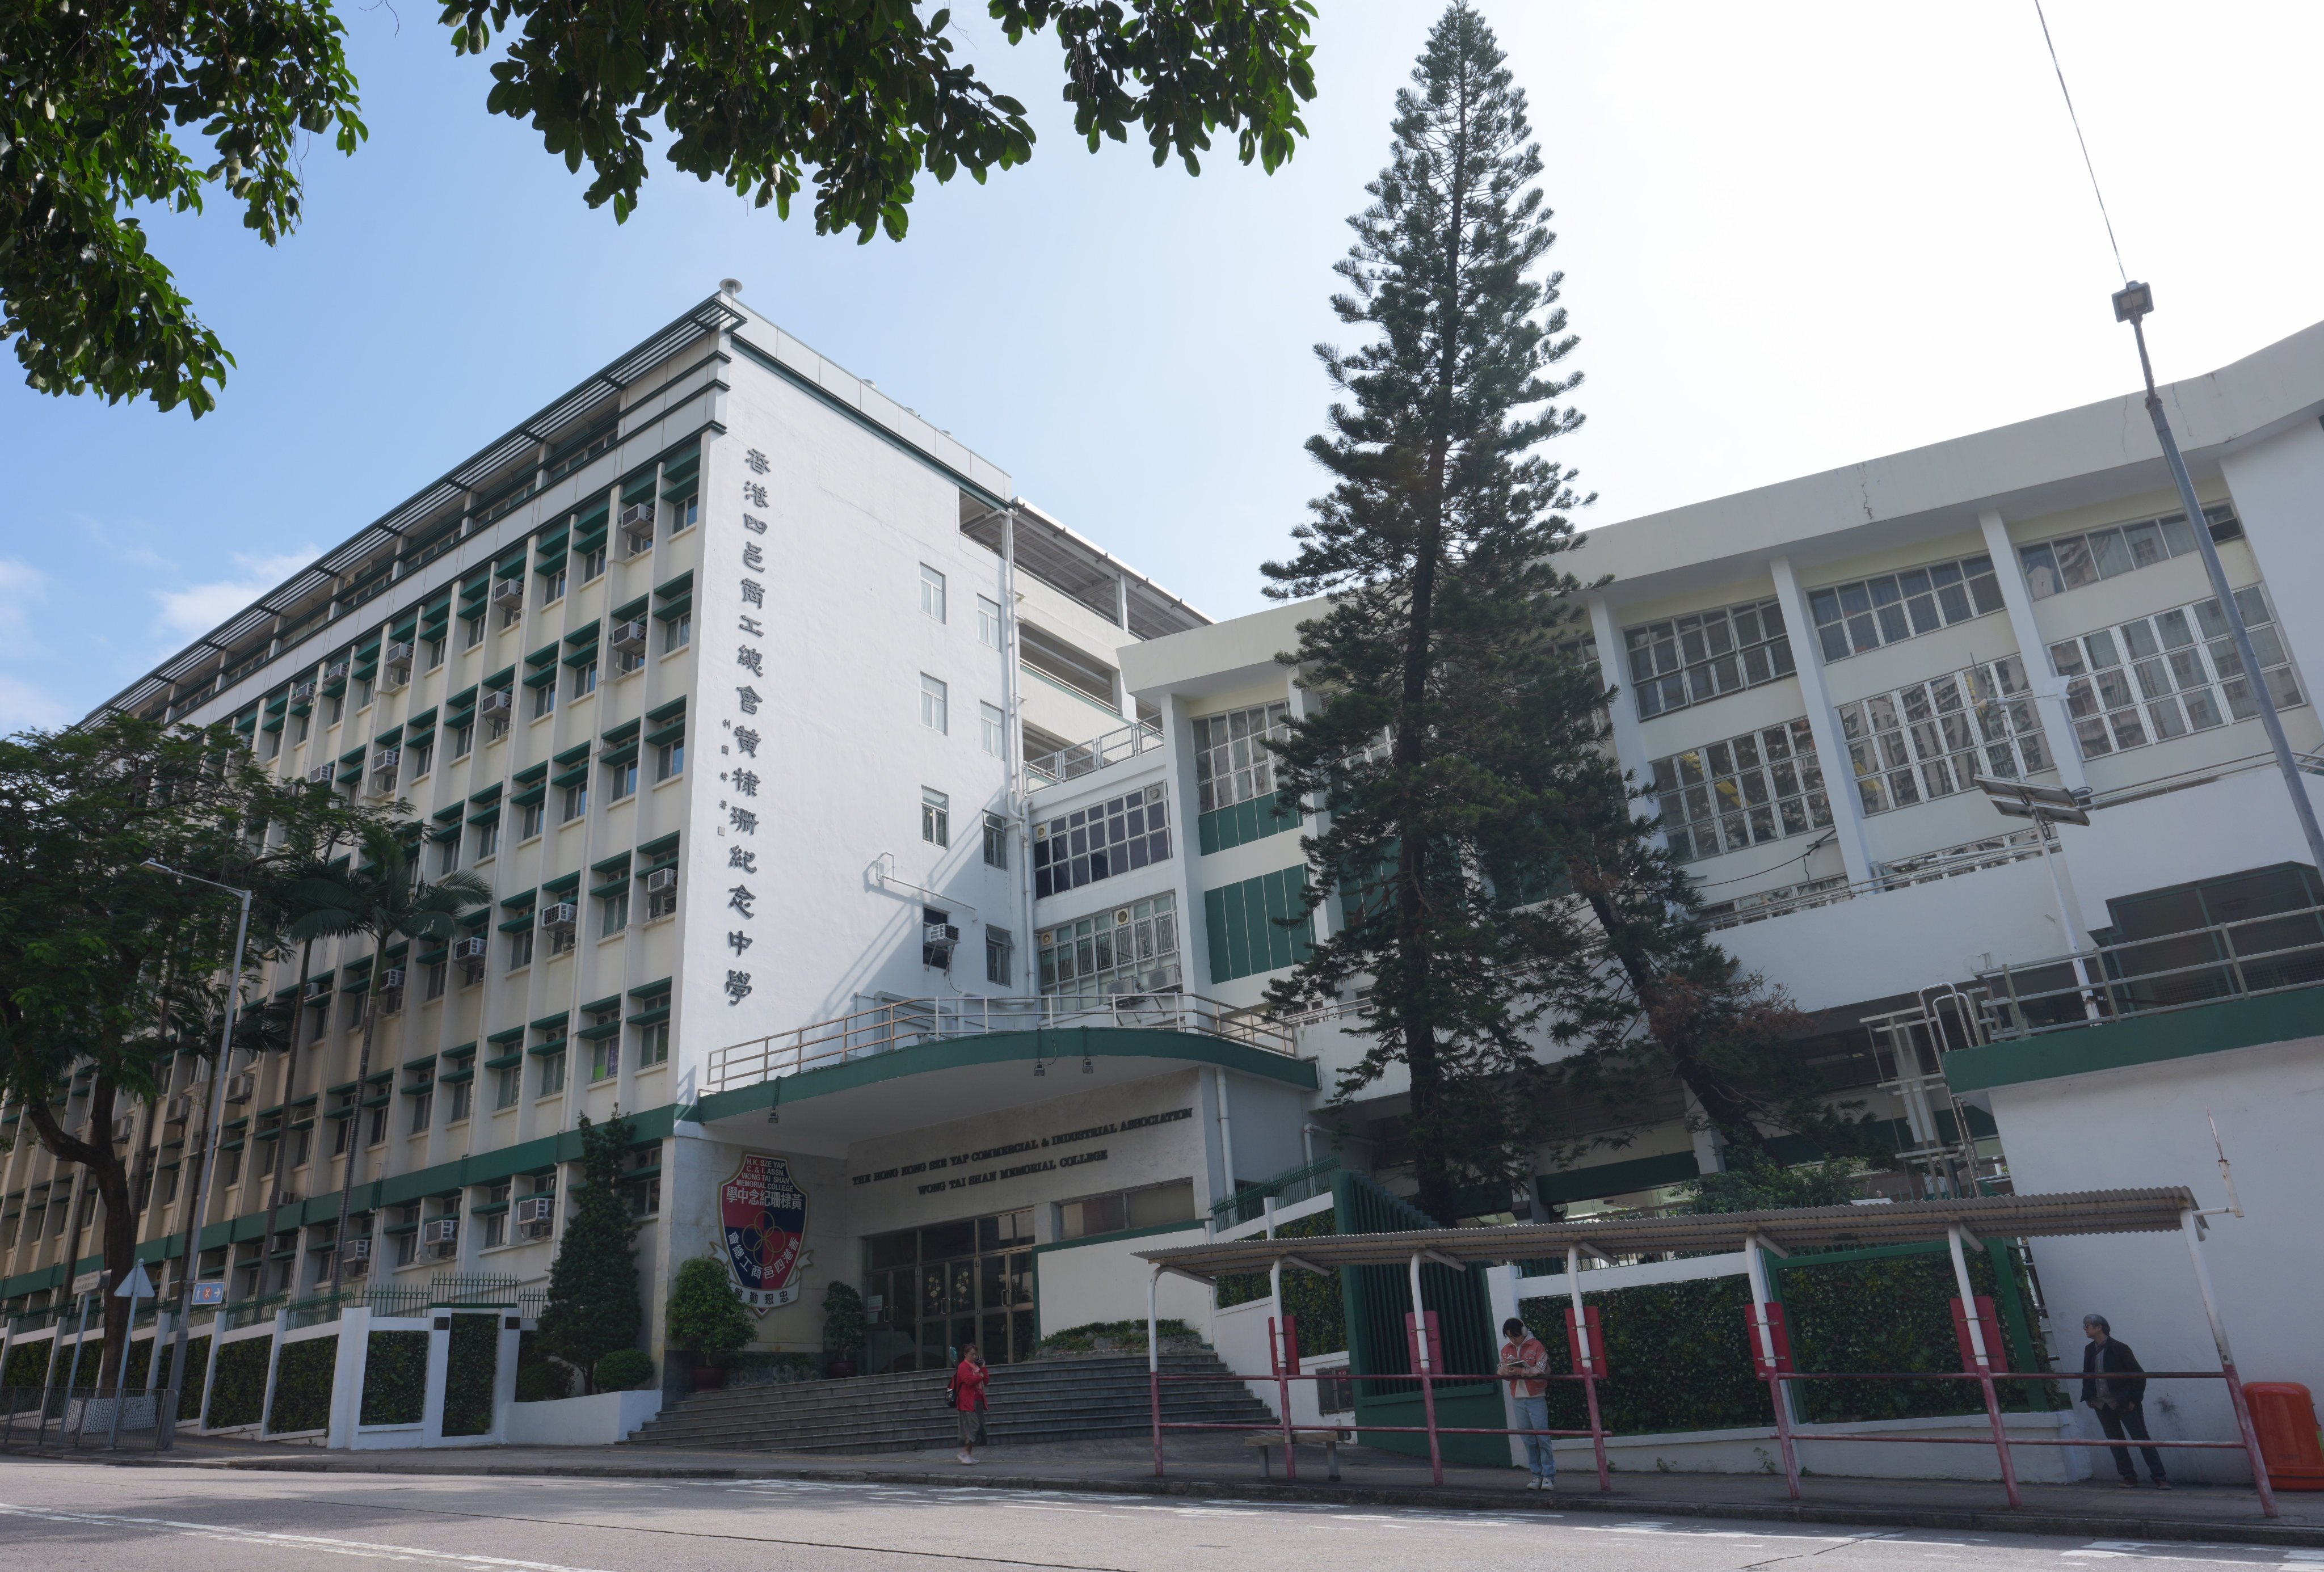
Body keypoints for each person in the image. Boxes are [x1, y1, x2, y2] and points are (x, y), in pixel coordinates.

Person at [2082, 1314, 2169, 1489]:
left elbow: (2138, 1375)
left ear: (2099, 1327)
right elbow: (2087, 1373)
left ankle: (2159, 1477)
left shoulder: (2120, 1348)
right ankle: (2128, 1476)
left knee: (2141, 1438)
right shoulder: (2089, 1349)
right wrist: (2089, 1396)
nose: (2085, 1329)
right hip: (2102, 1403)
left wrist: (2133, 1400)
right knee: (2115, 1441)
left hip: (2122, 1401)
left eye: (2088, 1325)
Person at [1498, 1316, 1555, 1490]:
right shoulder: (1507, 1349)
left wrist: (1520, 1371)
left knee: (1542, 1438)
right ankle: (1536, 1475)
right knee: (1528, 1439)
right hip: (1518, 1397)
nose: (1513, 1340)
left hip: (1536, 1396)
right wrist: (1509, 1370)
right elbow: (1501, 1369)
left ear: (1523, 1332)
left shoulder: (1536, 1345)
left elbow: (1540, 1368)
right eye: (1509, 1336)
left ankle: (1549, 1477)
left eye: (1515, 1335)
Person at [953, 1342, 990, 1465]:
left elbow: (986, 1380)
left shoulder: (976, 1366)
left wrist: (983, 1368)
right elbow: (970, 1381)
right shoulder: (963, 1367)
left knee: (979, 1427)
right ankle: (964, 1453)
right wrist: (980, 1374)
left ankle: (967, 1454)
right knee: (973, 1427)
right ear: (965, 1354)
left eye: (976, 1354)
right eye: (972, 1354)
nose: (974, 1357)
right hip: (967, 1401)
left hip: (978, 1400)